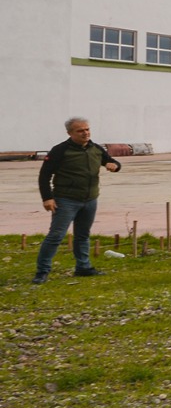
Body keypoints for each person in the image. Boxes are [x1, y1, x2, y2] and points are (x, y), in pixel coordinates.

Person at [33, 117, 122, 285]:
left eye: (87, 129)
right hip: (65, 200)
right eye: (80, 130)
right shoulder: (60, 150)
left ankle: (83, 267)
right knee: (56, 236)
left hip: (90, 200)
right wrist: (47, 198)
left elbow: (113, 162)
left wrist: (114, 166)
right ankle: (42, 271)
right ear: (70, 133)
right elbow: (44, 175)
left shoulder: (95, 148)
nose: (85, 133)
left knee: (83, 235)